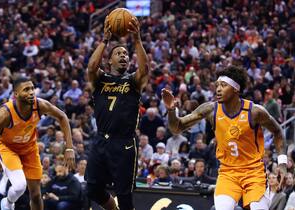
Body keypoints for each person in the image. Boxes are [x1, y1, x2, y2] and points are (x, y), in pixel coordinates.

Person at [162, 65, 287, 210]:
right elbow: (176, 127)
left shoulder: (254, 112)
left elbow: (278, 132)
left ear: (235, 89)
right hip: (228, 172)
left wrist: (282, 164)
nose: (218, 89)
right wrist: (171, 111)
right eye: (217, 85)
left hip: (253, 172)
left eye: (223, 85)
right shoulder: (210, 110)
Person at [0, 77, 75, 210]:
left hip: (29, 148)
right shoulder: (4, 114)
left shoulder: (40, 105)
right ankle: (8, 202)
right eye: (26, 90)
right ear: (16, 94)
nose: (31, 92)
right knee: (20, 185)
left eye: (32, 88)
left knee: (36, 195)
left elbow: (62, 117)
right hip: (7, 148)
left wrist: (69, 148)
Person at [85, 15, 149, 210]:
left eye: (126, 54)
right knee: (93, 189)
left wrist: (137, 40)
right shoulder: (100, 79)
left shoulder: (133, 82)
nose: (124, 56)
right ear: (109, 60)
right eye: (118, 53)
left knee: (125, 196)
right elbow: (90, 67)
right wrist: (104, 40)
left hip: (124, 143)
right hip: (101, 140)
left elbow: (144, 69)